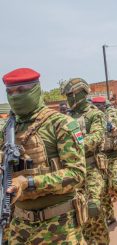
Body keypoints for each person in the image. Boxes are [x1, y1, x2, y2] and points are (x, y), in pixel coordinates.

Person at [1, 68, 86, 244]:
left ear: (36, 90)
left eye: (22, 90)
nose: (15, 96)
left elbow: (77, 175)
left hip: (59, 225)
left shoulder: (60, 124)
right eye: (10, 92)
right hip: (19, 225)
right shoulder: (8, 129)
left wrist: (28, 182)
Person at [61, 79, 110, 244]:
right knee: (78, 212)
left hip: (92, 167)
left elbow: (96, 138)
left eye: (70, 95)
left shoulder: (94, 114)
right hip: (74, 170)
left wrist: (70, 148)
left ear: (79, 93)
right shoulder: (67, 117)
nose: (68, 99)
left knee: (93, 207)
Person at [92, 96, 117, 226]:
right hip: (98, 158)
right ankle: (110, 215)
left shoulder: (112, 116)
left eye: (101, 106)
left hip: (114, 155)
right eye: (96, 106)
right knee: (103, 189)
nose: (98, 108)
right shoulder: (90, 120)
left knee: (115, 184)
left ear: (105, 106)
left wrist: (114, 130)